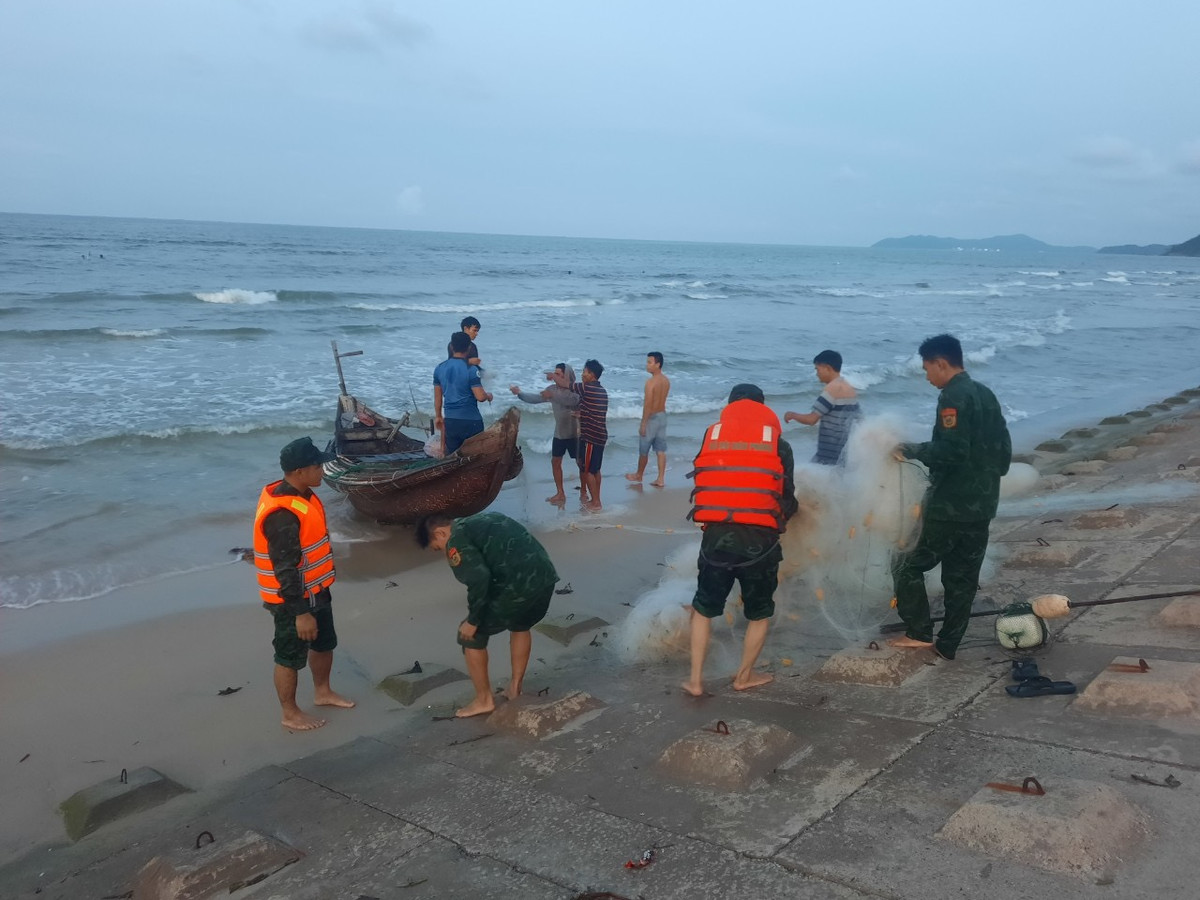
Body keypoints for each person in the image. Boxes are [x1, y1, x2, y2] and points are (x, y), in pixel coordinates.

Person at [890, 333, 1011, 660]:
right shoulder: (986, 395)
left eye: (927, 369)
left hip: (949, 507)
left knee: (905, 564)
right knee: (962, 578)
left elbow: (952, 450)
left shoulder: (952, 397)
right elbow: (1004, 454)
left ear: (941, 363)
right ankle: (948, 644)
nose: (927, 377)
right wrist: (984, 482)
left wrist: (912, 450)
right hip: (983, 505)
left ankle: (918, 632)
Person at [681, 384, 798, 697]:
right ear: (763, 407)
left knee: (704, 609)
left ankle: (695, 681)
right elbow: (787, 500)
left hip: (716, 538)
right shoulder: (778, 445)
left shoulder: (712, 437)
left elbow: (708, 481)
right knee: (759, 613)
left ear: (729, 406)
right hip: (760, 543)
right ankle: (743, 677)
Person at [252, 437, 356, 731]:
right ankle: (290, 712)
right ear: (299, 472)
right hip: (292, 600)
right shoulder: (282, 515)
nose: (322, 470)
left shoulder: (303, 494)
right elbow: (284, 570)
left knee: (324, 643)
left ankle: (323, 692)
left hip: (317, 589)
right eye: (317, 466)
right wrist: (300, 612)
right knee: (289, 656)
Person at [416, 511, 558, 718]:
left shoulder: (457, 539)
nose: (442, 552)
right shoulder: (485, 518)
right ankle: (514, 688)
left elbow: (479, 578)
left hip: (519, 586)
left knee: (469, 636)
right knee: (520, 624)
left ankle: (484, 700)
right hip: (546, 578)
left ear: (440, 533)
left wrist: (473, 620)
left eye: (438, 548)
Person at [510, 363, 581, 504]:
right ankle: (560, 493)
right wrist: (520, 394)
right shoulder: (552, 389)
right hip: (560, 433)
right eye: (555, 374)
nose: (556, 377)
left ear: (567, 376)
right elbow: (536, 399)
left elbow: (571, 400)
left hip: (575, 434)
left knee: (581, 464)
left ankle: (584, 491)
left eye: (559, 375)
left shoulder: (576, 390)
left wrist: (552, 395)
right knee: (555, 462)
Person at [784, 350, 861, 465]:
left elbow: (811, 420)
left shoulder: (831, 389)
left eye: (817, 369)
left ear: (827, 368)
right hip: (845, 451)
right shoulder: (849, 388)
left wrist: (792, 415)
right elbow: (859, 419)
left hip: (830, 452)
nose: (817, 373)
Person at [552, 358, 608, 511]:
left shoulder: (587, 388)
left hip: (590, 437)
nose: (583, 375)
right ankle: (598, 500)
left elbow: (565, 384)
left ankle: (595, 502)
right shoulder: (602, 390)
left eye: (585, 372)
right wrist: (581, 413)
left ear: (592, 374)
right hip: (601, 436)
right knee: (596, 469)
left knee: (588, 470)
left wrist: (553, 376)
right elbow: (596, 411)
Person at [434, 331, 492, 455]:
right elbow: (480, 397)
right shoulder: (471, 369)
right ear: (469, 347)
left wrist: (438, 416)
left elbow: (438, 396)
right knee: (475, 458)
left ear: (452, 347)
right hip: (471, 422)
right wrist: (488, 396)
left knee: (453, 458)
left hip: (451, 421)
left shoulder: (439, 368)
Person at [625, 351, 671, 487]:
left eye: (650, 362)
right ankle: (661, 479)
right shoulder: (666, 380)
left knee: (643, 450)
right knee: (660, 449)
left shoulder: (651, 383)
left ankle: (639, 475)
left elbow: (648, 405)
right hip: (662, 416)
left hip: (652, 419)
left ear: (658, 364)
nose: (647, 365)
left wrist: (643, 423)